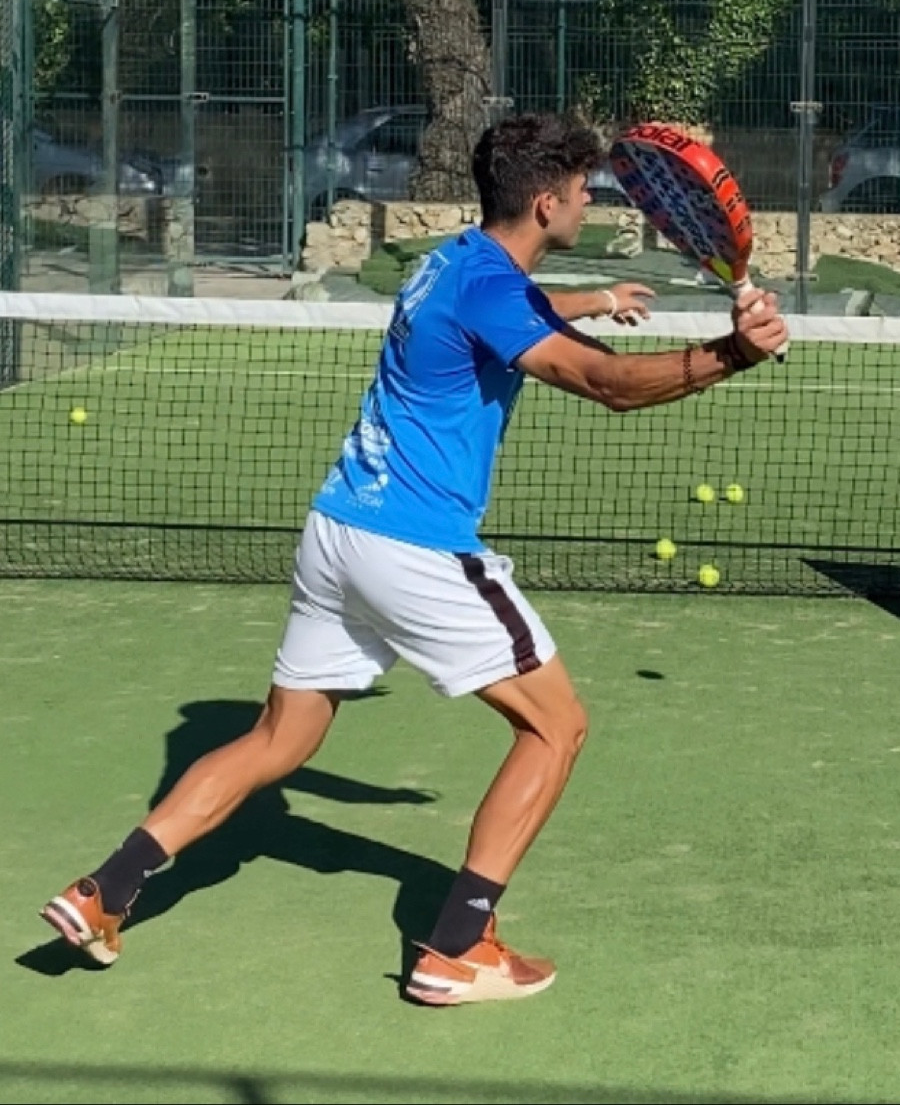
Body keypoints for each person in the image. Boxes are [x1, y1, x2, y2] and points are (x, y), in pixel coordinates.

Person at [40, 112, 789, 1006]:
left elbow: (508, 311)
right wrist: (735, 352)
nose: (589, 204)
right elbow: (607, 384)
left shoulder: (451, 261)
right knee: (556, 728)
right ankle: (456, 948)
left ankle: (105, 889)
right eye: (581, 192)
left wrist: (595, 300)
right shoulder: (495, 290)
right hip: (414, 547)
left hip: (336, 532)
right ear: (546, 204)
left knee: (279, 738)